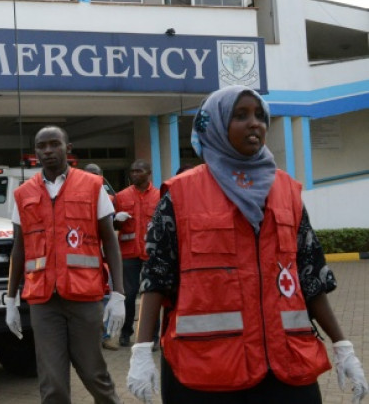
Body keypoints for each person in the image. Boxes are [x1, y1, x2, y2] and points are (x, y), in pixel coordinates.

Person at [127, 85, 368, 404]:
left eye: (259, 116)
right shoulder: (181, 194)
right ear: (214, 125)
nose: (255, 123)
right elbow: (156, 277)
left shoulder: (287, 192)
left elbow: (309, 278)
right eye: (240, 116)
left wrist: (342, 346)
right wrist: (142, 350)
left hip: (285, 364)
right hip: (206, 368)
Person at [5, 126, 125, 403]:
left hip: (84, 297)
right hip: (43, 302)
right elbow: (19, 250)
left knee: (95, 375)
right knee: (52, 383)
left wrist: (118, 294)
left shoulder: (93, 186)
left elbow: (110, 241)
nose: (47, 151)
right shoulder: (24, 194)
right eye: (41, 146)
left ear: (67, 148)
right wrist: (10, 299)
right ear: (35, 152)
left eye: (54, 144)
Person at [112, 159, 159, 347]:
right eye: (132, 171)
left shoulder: (159, 196)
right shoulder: (121, 197)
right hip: (129, 253)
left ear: (149, 173)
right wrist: (117, 220)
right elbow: (112, 225)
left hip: (151, 254)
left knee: (152, 295)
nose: (134, 174)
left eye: (139, 171)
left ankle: (153, 337)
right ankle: (126, 332)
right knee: (129, 295)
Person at [84, 163, 119, 352]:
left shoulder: (111, 197)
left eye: (97, 174)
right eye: (90, 174)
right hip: (88, 255)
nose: (94, 178)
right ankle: (93, 337)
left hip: (107, 255)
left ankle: (106, 337)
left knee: (107, 296)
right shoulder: (78, 197)